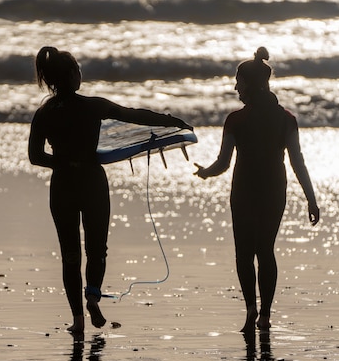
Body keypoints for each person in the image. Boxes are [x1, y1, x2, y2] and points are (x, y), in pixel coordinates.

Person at [29, 46, 191, 335]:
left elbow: (35, 156)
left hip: (63, 184)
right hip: (92, 181)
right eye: (78, 69)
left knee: (70, 254)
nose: (80, 74)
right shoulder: (93, 106)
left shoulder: (44, 113)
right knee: (97, 249)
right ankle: (92, 295)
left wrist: (65, 163)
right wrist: (170, 120)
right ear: (70, 75)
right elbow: (134, 115)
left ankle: (77, 320)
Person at [194, 47, 319, 332]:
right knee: (266, 250)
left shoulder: (235, 120)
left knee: (244, 253)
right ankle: (265, 315)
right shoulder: (287, 119)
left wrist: (205, 173)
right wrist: (311, 199)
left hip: (244, 189)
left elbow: (223, 163)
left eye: (238, 81)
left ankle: (250, 309)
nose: (236, 86)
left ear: (249, 83)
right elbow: (298, 162)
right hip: (275, 188)